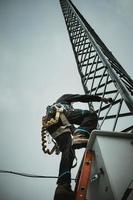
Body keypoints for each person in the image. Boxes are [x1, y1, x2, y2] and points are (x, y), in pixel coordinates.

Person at [43, 94, 112, 200]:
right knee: (90, 115)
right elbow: (81, 97)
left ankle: (63, 186)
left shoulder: (62, 119)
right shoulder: (64, 99)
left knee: (69, 151)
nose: (73, 104)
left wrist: (82, 139)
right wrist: (101, 99)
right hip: (59, 114)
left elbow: (74, 134)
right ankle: (81, 135)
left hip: (52, 125)